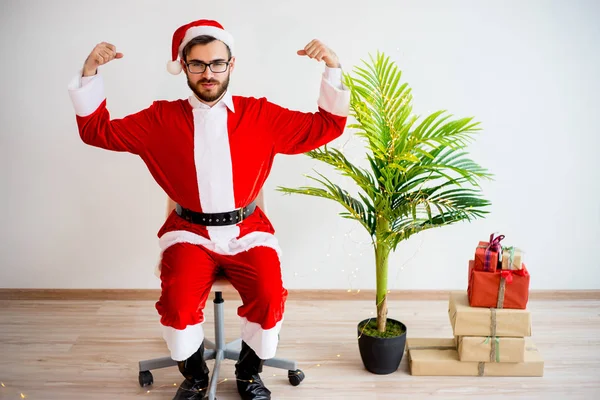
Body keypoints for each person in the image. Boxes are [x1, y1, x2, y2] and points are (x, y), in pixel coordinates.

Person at [67, 19, 349, 400]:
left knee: (268, 295)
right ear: (184, 67)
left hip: (249, 231)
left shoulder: (260, 115)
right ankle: (196, 375)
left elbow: (327, 126)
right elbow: (95, 131)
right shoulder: (159, 119)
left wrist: (332, 65)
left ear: (231, 65)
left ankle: (249, 374)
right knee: (178, 303)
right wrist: (90, 72)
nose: (208, 73)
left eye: (217, 63)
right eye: (197, 64)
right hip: (189, 233)